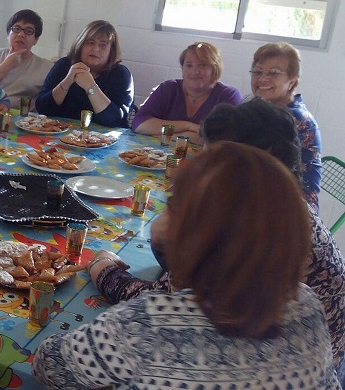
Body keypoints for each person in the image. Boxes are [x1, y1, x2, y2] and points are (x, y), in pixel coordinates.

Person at [35, 141, 341, 389]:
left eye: (172, 206)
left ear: (194, 235)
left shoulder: (146, 324)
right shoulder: (307, 303)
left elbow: (50, 366)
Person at [89, 98, 345, 383]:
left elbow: (158, 308)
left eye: (214, 161)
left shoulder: (242, 228)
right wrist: (166, 242)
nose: (201, 167)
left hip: (259, 365)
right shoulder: (285, 207)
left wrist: (104, 269)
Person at [250, 42, 322, 208]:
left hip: (291, 211)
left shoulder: (295, 119)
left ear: (292, 82)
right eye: (257, 72)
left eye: (274, 73)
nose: (262, 79)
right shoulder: (262, 109)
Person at [131, 42, 241, 143]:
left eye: (203, 65)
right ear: (182, 69)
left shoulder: (229, 96)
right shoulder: (168, 88)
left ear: (215, 69)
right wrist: (188, 126)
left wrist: (172, 136)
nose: (195, 71)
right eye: (188, 65)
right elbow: (139, 124)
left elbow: (223, 140)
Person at [36, 20, 133, 128]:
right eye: (90, 42)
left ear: (111, 51)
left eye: (103, 45)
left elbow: (114, 120)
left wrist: (90, 87)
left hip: (105, 141)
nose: (96, 49)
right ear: (81, 45)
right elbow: (42, 109)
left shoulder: (121, 74)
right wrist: (67, 81)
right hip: (60, 136)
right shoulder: (64, 65)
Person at [0, 9, 54, 107]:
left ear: (36, 40)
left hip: (22, 119)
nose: (21, 34)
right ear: (8, 34)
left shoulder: (46, 67)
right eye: (16, 29)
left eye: (28, 31)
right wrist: (6, 65)